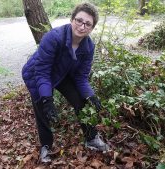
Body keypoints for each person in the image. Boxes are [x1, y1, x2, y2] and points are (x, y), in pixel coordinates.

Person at [22, 2, 109, 163]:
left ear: (91, 28)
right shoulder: (54, 37)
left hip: (62, 73)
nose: (82, 26)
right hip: (37, 74)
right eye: (79, 20)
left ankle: (91, 137)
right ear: (72, 19)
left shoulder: (88, 46)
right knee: (42, 108)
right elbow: (42, 72)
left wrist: (91, 95)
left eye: (87, 24)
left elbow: (81, 77)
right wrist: (47, 99)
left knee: (81, 101)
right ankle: (46, 146)